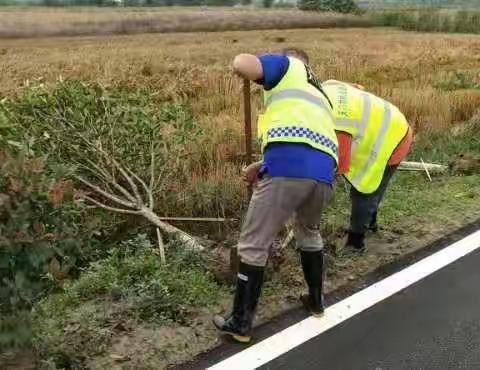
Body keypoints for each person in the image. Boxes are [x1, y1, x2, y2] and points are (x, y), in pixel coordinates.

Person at [212, 48, 338, 343]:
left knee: (253, 243)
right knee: (308, 233)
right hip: (322, 175)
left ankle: (240, 323)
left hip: (287, 169)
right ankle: (317, 302)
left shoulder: (288, 64)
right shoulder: (320, 91)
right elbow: (307, 141)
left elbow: (243, 64)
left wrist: (240, 59)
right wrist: (262, 165)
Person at [322, 80, 413, 251]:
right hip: (387, 123)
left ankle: (356, 242)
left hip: (393, 138)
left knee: (364, 190)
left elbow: (337, 168)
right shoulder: (326, 86)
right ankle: (370, 222)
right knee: (372, 189)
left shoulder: (339, 125)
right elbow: (358, 87)